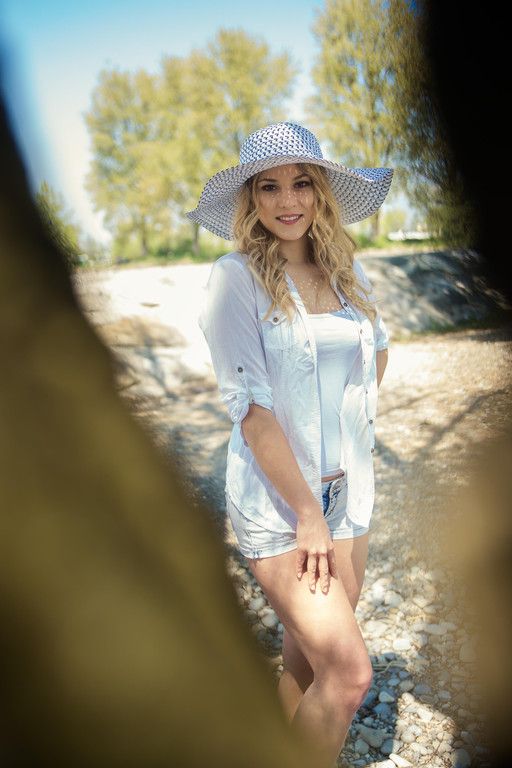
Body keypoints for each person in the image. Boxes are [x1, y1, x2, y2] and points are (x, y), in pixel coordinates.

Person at [188, 121, 393, 766]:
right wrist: (307, 512)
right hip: (283, 509)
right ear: (250, 198)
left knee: (307, 666)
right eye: (269, 186)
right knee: (350, 675)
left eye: (302, 182)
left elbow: (377, 352)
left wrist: (346, 429)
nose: (288, 200)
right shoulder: (235, 278)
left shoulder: (345, 272)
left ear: (321, 191)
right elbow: (252, 413)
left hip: (347, 498)